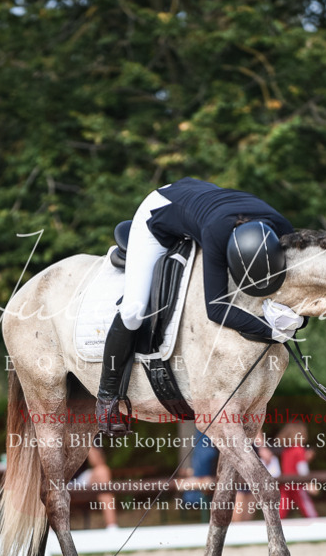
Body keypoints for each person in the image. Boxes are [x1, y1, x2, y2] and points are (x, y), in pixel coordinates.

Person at [96, 177, 304, 433]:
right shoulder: (216, 234)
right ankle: (106, 395)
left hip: (201, 198)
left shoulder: (282, 227)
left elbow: (297, 290)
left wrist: (299, 319)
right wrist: (272, 331)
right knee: (133, 310)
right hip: (159, 211)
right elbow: (216, 309)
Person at [68, 444, 119, 531]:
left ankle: (112, 528)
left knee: (102, 472)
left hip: (80, 479)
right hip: (57, 478)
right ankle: (47, 533)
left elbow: (98, 462)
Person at [278, 421, 319, 519]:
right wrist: (308, 483)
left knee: (281, 509)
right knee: (307, 507)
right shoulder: (299, 450)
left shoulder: (286, 451)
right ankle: (315, 522)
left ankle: (273, 524)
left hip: (286, 484)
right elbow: (302, 468)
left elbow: (290, 466)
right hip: (298, 484)